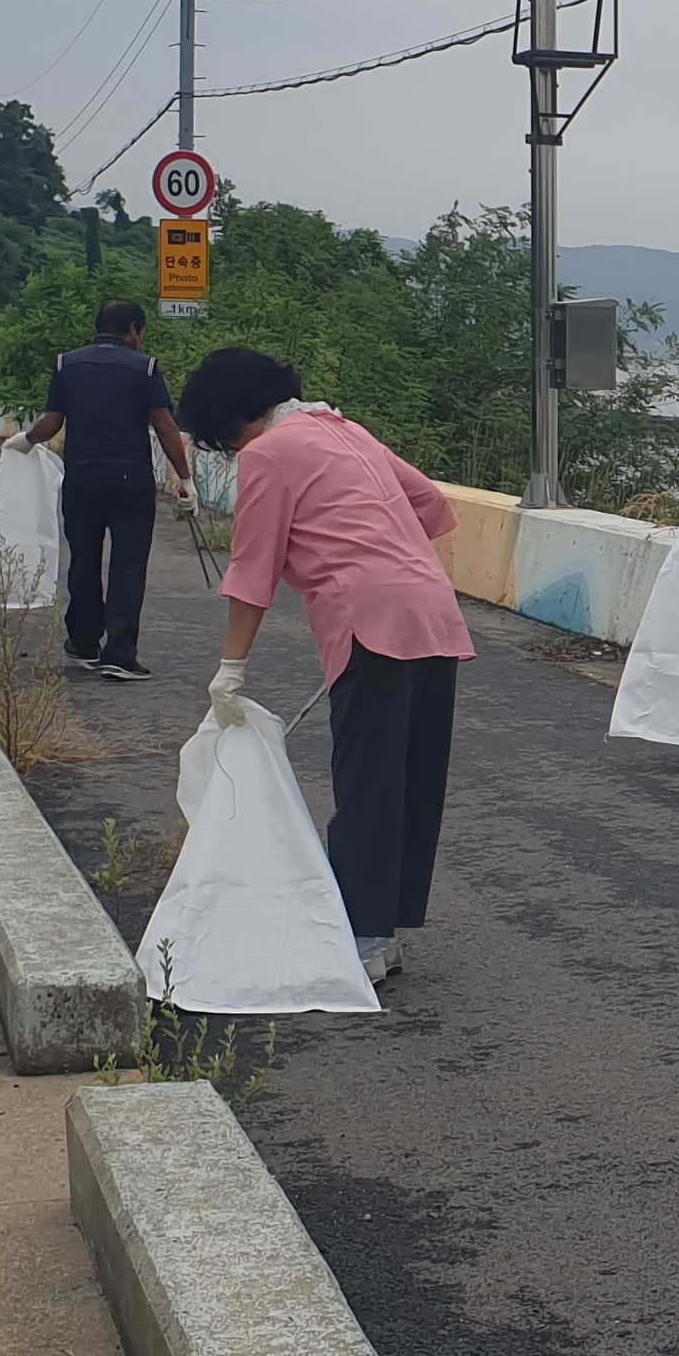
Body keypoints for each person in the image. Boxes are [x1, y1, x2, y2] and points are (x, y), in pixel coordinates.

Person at [179, 348, 472, 985]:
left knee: (367, 781)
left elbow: (251, 569)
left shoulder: (268, 453)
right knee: (411, 779)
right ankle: (384, 928)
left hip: (369, 619)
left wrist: (231, 668)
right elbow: (427, 502)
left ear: (233, 419)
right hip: (432, 609)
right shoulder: (346, 430)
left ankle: (362, 935)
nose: (232, 452)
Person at [11, 299, 194, 681]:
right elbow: (164, 427)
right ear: (132, 331)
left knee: (84, 558)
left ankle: (84, 642)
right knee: (128, 563)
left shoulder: (67, 364)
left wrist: (26, 440)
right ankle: (120, 653)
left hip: (82, 475)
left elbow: (52, 422)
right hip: (131, 477)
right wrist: (184, 479)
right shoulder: (145, 368)